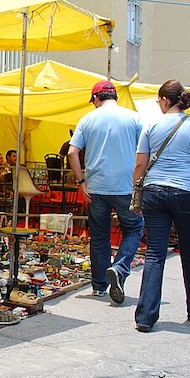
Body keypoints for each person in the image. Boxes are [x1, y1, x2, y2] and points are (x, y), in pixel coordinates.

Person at [132, 80, 190, 332]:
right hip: (188, 193)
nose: (158, 104)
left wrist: (135, 192)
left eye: (159, 100)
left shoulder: (151, 125)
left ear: (166, 100)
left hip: (155, 193)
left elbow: (139, 165)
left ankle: (145, 317)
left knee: (155, 254)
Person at [68, 80, 143, 302]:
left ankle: (99, 286)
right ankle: (119, 268)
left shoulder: (87, 120)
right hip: (125, 187)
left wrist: (81, 182)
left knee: (99, 236)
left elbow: (72, 153)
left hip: (96, 187)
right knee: (134, 229)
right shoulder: (134, 118)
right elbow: (144, 154)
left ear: (96, 98)